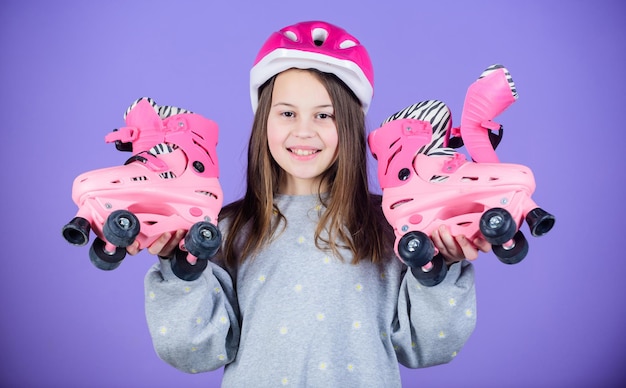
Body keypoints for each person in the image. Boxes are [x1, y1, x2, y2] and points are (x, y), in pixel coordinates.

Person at [128, 20, 491, 387]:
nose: (304, 131)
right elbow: (194, 351)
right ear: (263, 123)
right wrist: (182, 271)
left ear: (349, 124)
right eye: (287, 113)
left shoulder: (392, 228)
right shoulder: (225, 231)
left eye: (324, 115)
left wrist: (437, 272)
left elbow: (427, 347)